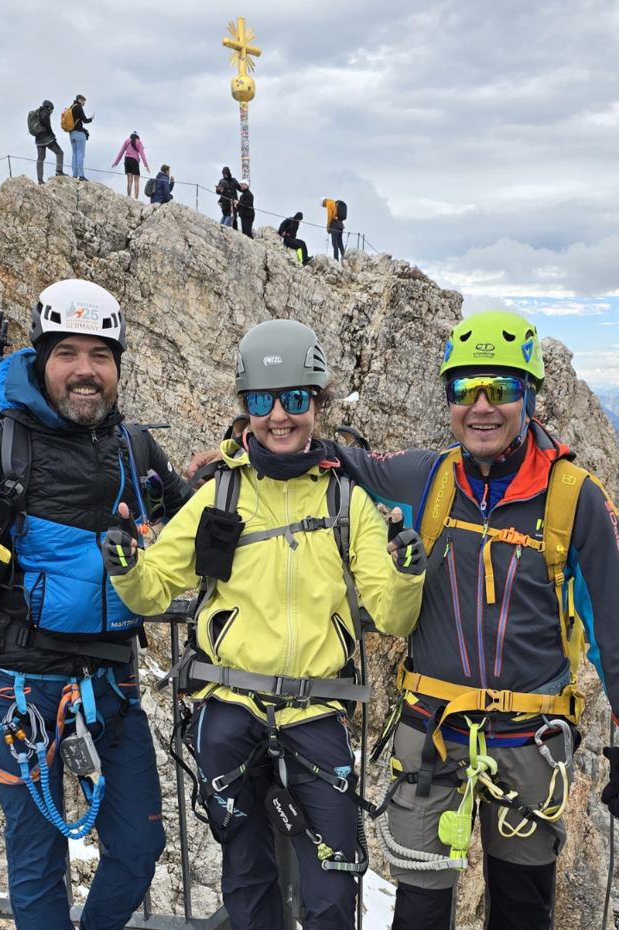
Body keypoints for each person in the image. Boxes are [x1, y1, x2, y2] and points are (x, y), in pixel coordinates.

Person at [188, 310, 619, 930]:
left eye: (501, 388)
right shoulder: (428, 477)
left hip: (528, 740)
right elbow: (329, 459)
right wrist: (236, 452)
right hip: (433, 735)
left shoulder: (576, 499)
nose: (482, 407)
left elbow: (614, 629)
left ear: (531, 397)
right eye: (465, 390)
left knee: (523, 912)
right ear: (449, 399)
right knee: (419, 912)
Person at [104, 319, 427, 930]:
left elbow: (391, 613)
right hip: (228, 707)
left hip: (316, 710)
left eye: (295, 399)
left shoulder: (344, 502)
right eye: (262, 400)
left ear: (318, 405)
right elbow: (153, 591)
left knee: (333, 889)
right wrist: (125, 564)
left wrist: (406, 571)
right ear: (245, 407)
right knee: (248, 880)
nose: (279, 416)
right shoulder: (216, 497)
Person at [0, 280, 191, 930]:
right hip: (19, 695)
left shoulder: (138, 453)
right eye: (68, 353)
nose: (85, 369)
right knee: (37, 858)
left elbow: (194, 525)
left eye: (100, 354)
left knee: (140, 850)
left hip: (112, 688)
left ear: (117, 364)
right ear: (41, 359)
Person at [34, 100, 65, 184]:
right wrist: (51, 134)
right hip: (46, 137)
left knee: (41, 158)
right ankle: (59, 171)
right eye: (52, 110)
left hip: (38, 138)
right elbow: (46, 122)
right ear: (49, 108)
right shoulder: (45, 112)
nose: (52, 112)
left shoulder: (38, 112)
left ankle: (40, 180)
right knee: (59, 152)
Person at [112, 132, 149, 200]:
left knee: (129, 180)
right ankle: (136, 198)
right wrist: (146, 165)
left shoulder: (126, 141)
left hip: (127, 160)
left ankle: (128, 196)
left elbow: (121, 152)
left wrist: (116, 162)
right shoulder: (139, 142)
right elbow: (142, 154)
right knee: (136, 180)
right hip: (134, 160)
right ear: (138, 137)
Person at [68, 95, 94, 181]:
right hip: (79, 133)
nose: (84, 103)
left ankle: (74, 174)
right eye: (83, 101)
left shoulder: (71, 107)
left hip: (71, 133)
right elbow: (85, 120)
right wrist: (91, 119)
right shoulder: (78, 107)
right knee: (80, 154)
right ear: (79, 100)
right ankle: (81, 175)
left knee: (74, 153)